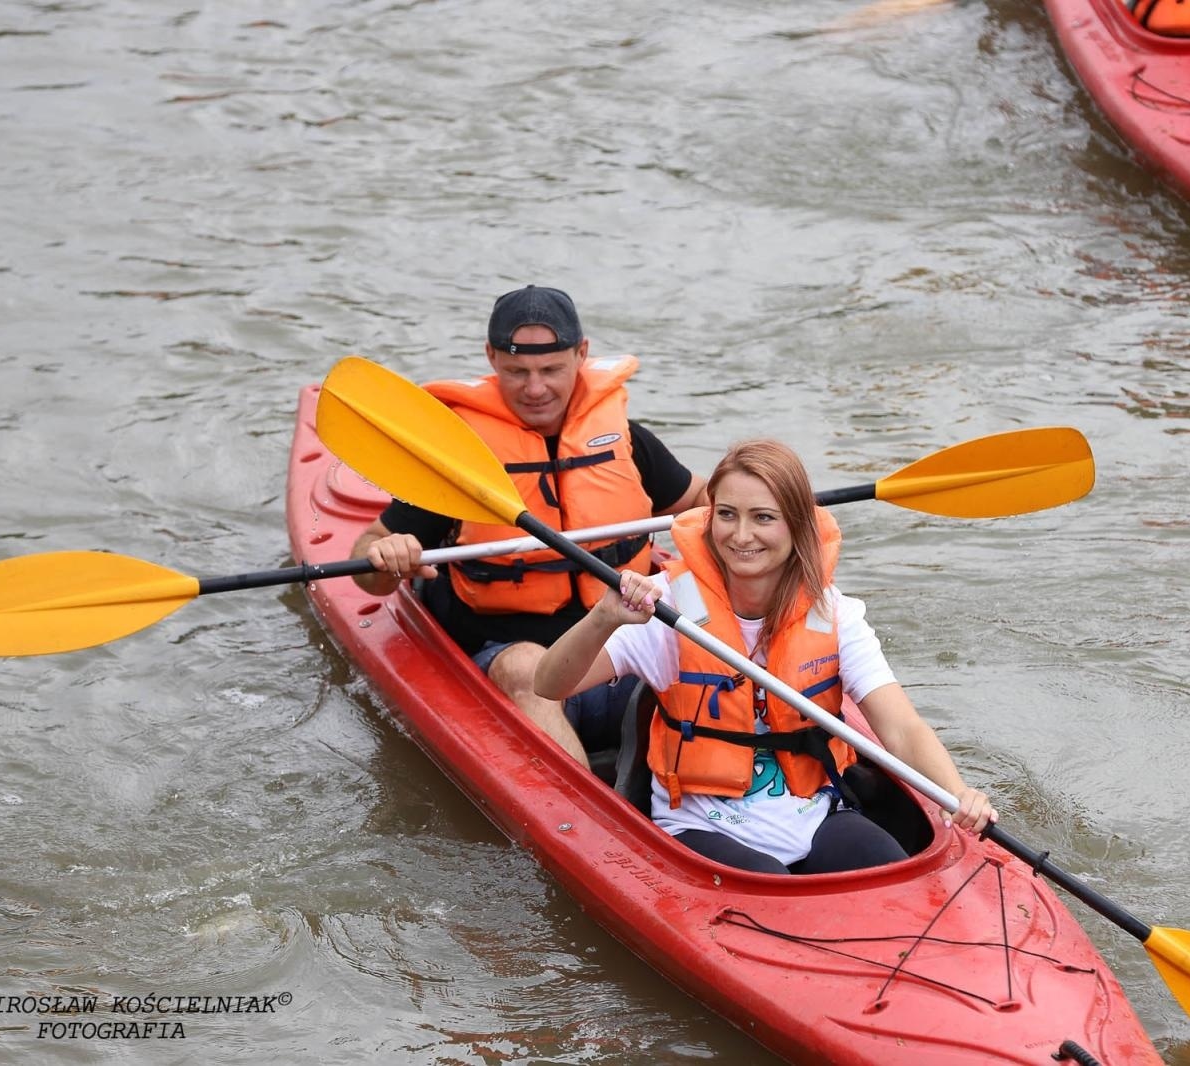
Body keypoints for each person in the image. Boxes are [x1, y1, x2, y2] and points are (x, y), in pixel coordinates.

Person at [533, 439, 996, 875]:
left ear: (797, 526)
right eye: (728, 515)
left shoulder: (833, 614)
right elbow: (549, 685)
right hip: (700, 825)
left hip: (811, 815)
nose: (741, 535)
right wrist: (604, 618)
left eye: (763, 518)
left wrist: (955, 793)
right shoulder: (667, 608)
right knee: (772, 890)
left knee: (899, 874)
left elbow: (900, 726)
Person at [351, 285, 705, 765]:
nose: (535, 389)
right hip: (508, 654)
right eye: (517, 371)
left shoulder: (624, 441)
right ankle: (589, 826)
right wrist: (387, 557)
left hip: (618, 644)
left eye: (551, 369)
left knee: (711, 637)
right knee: (526, 668)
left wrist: (745, 523)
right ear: (491, 357)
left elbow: (701, 503)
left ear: (581, 354)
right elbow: (365, 562)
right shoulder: (459, 461)